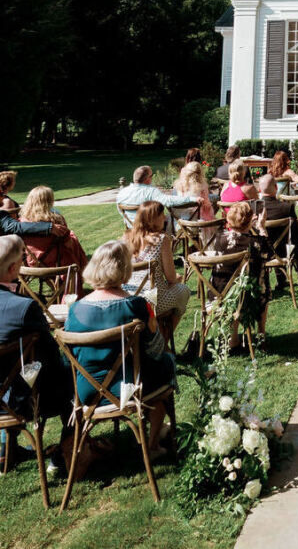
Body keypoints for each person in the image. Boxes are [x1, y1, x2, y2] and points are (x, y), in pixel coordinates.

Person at [65, 240, 175, 456]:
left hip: (87, 392)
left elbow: (71, 354)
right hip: (130, 387)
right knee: (166, 363)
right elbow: (155, 349)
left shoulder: (75, 309)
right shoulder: (136, 305)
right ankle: (152, 445)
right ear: (125, 268)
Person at [0, 234, 76, 472]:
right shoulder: (23, 307)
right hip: (23, 398)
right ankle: (66, 452)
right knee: (73, 370)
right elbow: (50, 356)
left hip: (5, 392)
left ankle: (5, 450)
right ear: (14, 268)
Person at [210, 203, 271, 350]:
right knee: (263, 278)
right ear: (250, 221)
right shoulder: (254, 242)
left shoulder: (219, 239)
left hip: (219, 295)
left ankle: (233, 338)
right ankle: (260, 334)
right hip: (247, 296)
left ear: (229, 221)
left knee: (232, 281)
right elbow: (268, 254)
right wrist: (261, 227)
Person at [124, 202, 191, 330]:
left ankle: (156, 335)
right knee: (183, 290)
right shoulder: (161, 239)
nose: (165, 217)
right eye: (161, 215)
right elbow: (171, 278)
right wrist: (176, 279)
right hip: (151, 300)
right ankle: (163, 338)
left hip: (127, 298)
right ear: (153, 219)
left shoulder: (127, 237)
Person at [116, 165, 200, 217]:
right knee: (171, 220)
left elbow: (120, 211)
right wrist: (191, 199)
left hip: (132, 230)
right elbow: (168, 201)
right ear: (147, 179)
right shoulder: (150, 191)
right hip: (150, 229)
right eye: (151, 176)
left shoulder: (122, 193)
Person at [256, 173, 298, 258]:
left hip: (262, 247)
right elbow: (294, 229)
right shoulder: (286, 207)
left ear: (259, 190)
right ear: (276, 188)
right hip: (283, 248)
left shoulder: (254, 207)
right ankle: (292, 249)